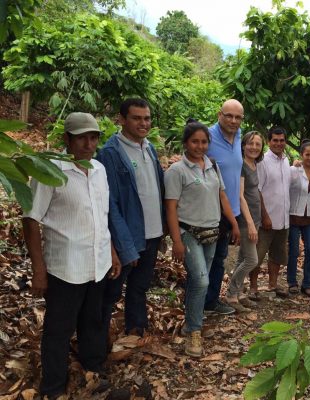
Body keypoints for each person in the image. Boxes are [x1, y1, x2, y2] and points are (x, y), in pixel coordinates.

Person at [22, 112, 121, 398]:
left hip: (98, 263)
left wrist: (112, 251)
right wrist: (39, 270)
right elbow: (31, 219)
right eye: (82, 138)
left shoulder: (100, 170)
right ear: (67, 139)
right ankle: (53, 386)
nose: (88, 144)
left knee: (94, 321)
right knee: (58, 330)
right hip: (65, 266)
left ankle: (93, 371)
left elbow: (101, 218)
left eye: (93, 138)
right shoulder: (50, 171)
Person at [164, 120, 239, 357]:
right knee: (202, 280)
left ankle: (190, 322)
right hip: (189, 233)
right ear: (186, 143)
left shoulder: (212, 166)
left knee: (199, 281)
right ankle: (194, 331)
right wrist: (176, 241)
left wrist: (234, 224)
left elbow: (223, 196)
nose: (200, 146)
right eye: (195, 141)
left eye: (204, 141)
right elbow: (171, 207)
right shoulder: (177, 170)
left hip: (212, 232)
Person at [97, 98, 164, 339]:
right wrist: (123, 244)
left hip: (152, 233)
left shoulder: (149, 148)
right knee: (112, 291)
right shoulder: (111, 153)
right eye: (136, 118)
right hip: (128, 235)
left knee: (139, 286)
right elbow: (110, 202)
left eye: (146, 118)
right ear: (122, 119)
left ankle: (136, 330)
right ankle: (98, 339)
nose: (143, 123)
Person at [204, 99, 245, 316]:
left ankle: (211, 302)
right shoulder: (208, 136)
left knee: (219, 258)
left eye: (238, 117)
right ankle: (198, 304)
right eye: (228, 115)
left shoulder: (238, 136)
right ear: (219, 114)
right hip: (210, 210)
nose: (233, 120)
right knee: (206, 261)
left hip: (231, 210)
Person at [225, 131, 265, 311]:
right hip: (245, 219)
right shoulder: (241, 165)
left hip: (255, 217)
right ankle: (231, 295)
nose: (254, 147)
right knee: (251, 260)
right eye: (250, 143)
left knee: (243, 257)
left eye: (258, 144)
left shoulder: (254, 164)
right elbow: (240, 196)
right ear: (243, 145)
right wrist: (249, 223)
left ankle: (239, 293)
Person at [250, 126, 291, 297]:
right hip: (266, 219)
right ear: (269, 141)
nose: (278, 143)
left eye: (282, 140)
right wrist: (264, 215)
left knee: (277, 254)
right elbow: (257, 190)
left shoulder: (286, 160)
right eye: (275, 140)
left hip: (283, 219)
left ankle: (273, 285)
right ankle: (253, 287)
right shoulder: (263, 162)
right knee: (257, 255)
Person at [287, 140, 310, 298]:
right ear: (301, 154)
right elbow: (284, 188)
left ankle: (307, 284)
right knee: (294, 251)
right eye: (307, 154)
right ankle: (292, 282)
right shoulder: (294, 170)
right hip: (294, 214)